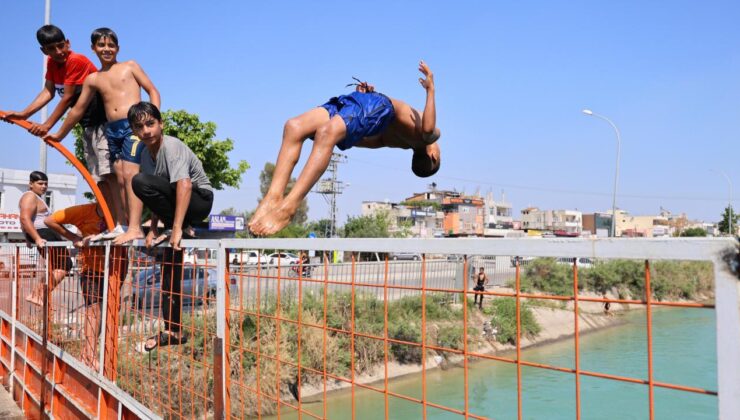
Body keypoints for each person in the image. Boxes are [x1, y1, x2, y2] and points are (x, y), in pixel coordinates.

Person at [249, 60, 441, 236]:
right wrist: (367, 98)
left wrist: (430, 89)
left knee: (323, 132)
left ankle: (289, 206)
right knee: (294, 127)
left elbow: (428, 129)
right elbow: (364, 137)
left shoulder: (426, 140)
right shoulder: (397, 141)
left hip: (375, 105)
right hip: (365, 103)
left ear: (433, 156)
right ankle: (273, 196)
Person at [46, 27, 160, 244]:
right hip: (112, 130)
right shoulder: (93, 79)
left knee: (129, 174)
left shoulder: (130, 66)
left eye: (111, 45)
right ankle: (121, 225)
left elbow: (152, 91)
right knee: (117, 178)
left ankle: (135, 228)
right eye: (101, 45)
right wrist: (59, 135)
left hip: (133, 125)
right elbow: (78, 109)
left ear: (118, 48)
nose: (106, 49)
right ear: (93, 49)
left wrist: (151, 120)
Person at [0, 25, 115, 219]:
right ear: (44, 51)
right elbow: (48, 92)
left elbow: (67, 98)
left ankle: (120, 220)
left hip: (103, 123)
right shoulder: (53, 65)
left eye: (61, 46)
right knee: (97, 177)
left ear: (67, 43)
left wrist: (47, 126)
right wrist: (23, 114)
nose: (59, 52)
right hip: (87, 126)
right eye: (52, 49)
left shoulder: (76, 61)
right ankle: (108, 218)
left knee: (109, 174)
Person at [125, 102, 213, 351]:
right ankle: (172, 328)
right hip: (176, 203)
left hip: (199, 200)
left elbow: (183, 185)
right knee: (141, 182)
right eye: (139, 127)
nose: (146, 131)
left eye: (151, 124)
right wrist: (153, 228)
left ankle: (182, 226)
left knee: (142, 181)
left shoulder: (171, 147)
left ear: (160, 124)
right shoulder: (144, 153)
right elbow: (156, 194)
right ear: (134, 131)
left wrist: (175, 229)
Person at [43, 201, 127, 370]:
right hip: (92, 269)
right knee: (94, 310)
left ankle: (87, 352)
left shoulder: (122, 210)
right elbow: (50, 220)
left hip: (116, 268)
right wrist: (74, 238)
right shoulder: (84, 211)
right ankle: (89, 356)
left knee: (109, 310)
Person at [18, 171, 71, 305]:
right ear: (31, 184)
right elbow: (24, 218)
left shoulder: (36, 197)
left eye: (46, 184)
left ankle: (37, 294)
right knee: (65, 265)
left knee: (56, 266)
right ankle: (38, 295)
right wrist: (35, 238)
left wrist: (27, 237)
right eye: (40, 183)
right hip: (43, 234)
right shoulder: (30, 196)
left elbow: (25, 220)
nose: (43, 186)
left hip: (43, 233)